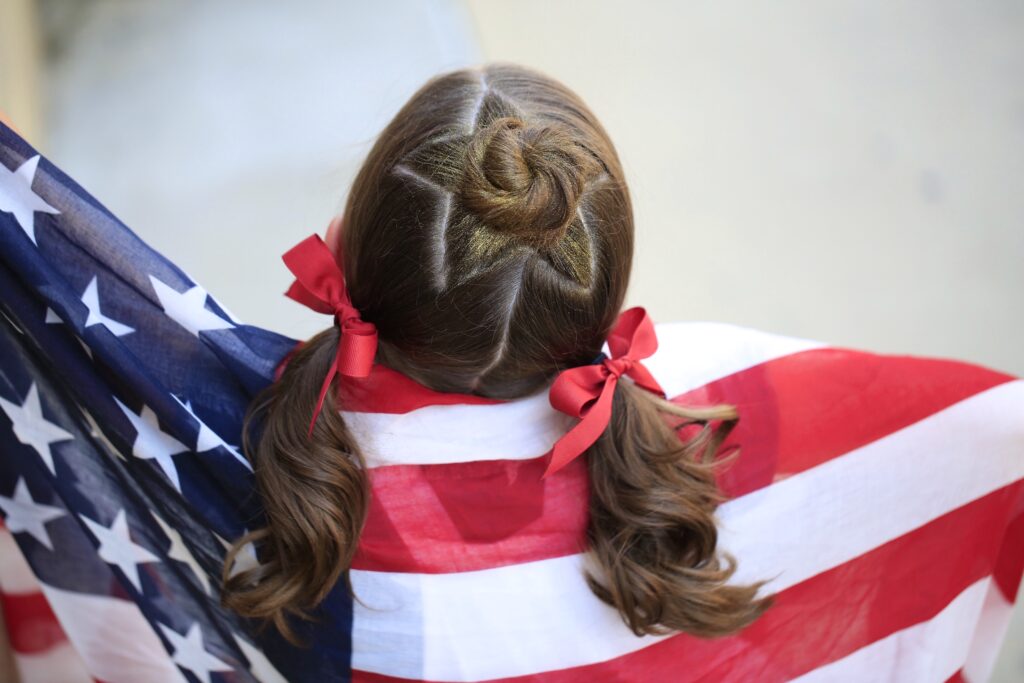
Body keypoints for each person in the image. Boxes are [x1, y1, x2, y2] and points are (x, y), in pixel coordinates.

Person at [1, 63, 1022, 683]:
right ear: (602, 294)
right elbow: (981, 437)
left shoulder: (254, 461)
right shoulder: (728, 393)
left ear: (350, 246)